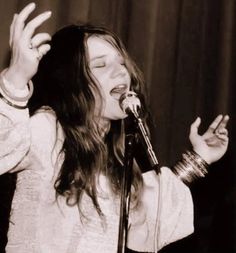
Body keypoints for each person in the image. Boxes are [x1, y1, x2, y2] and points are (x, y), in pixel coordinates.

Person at [0, 3, 229, 253]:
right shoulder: (49, 129)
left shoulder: (118, 155)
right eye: (100, 65)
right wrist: (16, 78)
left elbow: (154, 216)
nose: (121, 72)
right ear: (72, 82)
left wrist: (200, 158)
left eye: (121, 63)